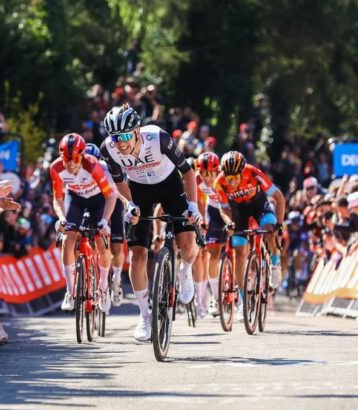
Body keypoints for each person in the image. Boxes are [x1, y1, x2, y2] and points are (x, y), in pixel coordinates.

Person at [99, 104, 202, 342]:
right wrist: (129, 204)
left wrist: (193, 206)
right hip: (139, 191)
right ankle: (145, 316)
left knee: (187, 245)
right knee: (137, 256)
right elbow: (118, 181)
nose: (120, 142)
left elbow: (187, 173)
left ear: (136, 131)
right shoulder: (109, 149)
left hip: (170, 186)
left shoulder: (158, 138)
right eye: (115, 138)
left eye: (124, 136)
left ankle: (185, 271)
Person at [214, 151, 285, 321]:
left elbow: (279, 197)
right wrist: (229, 222)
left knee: (268, 230)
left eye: (235, 177)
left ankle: (275, 261)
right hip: (238, 211)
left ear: (242, 171)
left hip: (259, 205)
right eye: (228, 177)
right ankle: (243, 300)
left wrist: (279, 225)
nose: (231, 181)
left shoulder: (253, 172)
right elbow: (223, 208)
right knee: (239, 252)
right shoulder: (220, 182)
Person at [51, 134, 117, 314]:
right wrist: (61, 218)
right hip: (76, 199)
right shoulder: (56, 168)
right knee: (67, 238)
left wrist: (104, 220)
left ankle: (103, 287)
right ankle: (69, 291)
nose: (71, 164)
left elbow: (110, 197)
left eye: (75, 160)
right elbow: (57, 199)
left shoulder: (93, 166)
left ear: (82, 156)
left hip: (98, 200)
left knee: (101, 244)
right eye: (67, 159)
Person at [85, 142, 125, 307]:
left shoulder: (108, 168)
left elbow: (118, 193)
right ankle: (92, 273)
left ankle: (116, 277)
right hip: (93, 202)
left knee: (116, 246)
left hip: (113, 201)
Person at [193, 152, 224, 317]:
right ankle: (216, 297)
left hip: (230, 208)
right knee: (212, 252)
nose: (207, 178)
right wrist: (202, 221)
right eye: (204, 173)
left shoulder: (224, 178)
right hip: (213, 209)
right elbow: (199, 202)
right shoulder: (197, 179)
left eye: (211, 174)